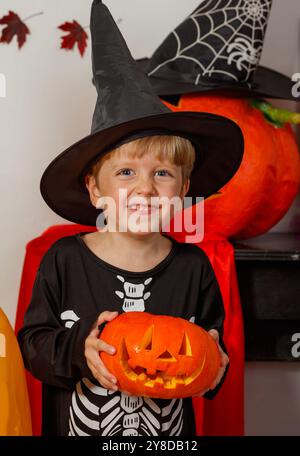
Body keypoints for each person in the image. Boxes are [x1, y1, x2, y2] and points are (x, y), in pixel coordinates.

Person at [18, 0, 244, 436]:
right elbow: (32, 346)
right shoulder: (63, 259)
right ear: (95, 190)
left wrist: (217, 367)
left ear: (182, 190)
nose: (145, 189)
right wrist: (76, 349)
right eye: (126, 173)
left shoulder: (193, 268)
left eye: (162, 174)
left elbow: (213, 350)